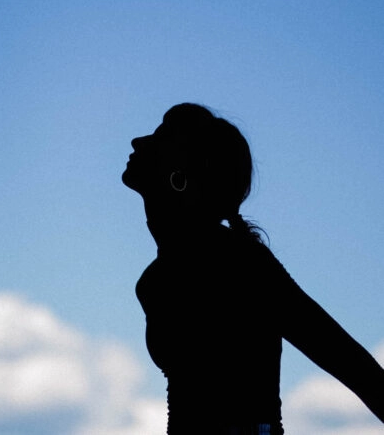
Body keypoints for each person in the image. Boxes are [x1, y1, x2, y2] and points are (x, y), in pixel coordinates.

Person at [122, 102, 384, 435]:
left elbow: (350, 363)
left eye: (158, 138)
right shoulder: (157, 279)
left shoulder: (239, 264)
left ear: (180, 176)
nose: (138, 141)